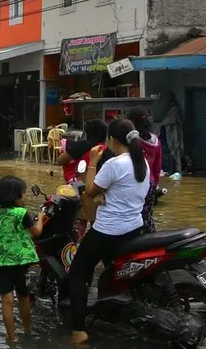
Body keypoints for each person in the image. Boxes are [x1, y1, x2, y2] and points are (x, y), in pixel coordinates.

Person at [67, 119, 151, 345]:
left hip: (108, 231)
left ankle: (78, 330)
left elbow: (90, 191)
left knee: (77, 274)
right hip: (133, 228)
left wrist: (93, 161)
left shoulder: (114, 164)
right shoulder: (141, 161)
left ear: (111, 140)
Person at [0, 175, 45, 342]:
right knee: (23, 297)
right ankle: (26, 331)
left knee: (7, 300)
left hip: (0, 264)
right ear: (15, 196)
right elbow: (37, 233)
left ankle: (11, 337)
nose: (24, 197)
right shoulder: (21, 213)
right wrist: (40, 219)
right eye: (23, 194)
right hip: (20, 263)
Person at [56, 119, 114, 242]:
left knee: (77, 229)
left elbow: (60, 160)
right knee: (97, 229)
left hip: (78, 191)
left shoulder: (80, 146)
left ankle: (72, 254)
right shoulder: (108, 152)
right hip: (99, 193)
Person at [127, 107, 162, 233]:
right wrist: (155, 184)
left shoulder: (130, 141)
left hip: (133, 183)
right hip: (150, 183)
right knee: (147, 216)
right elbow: (157, 167)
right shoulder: (156, 140)